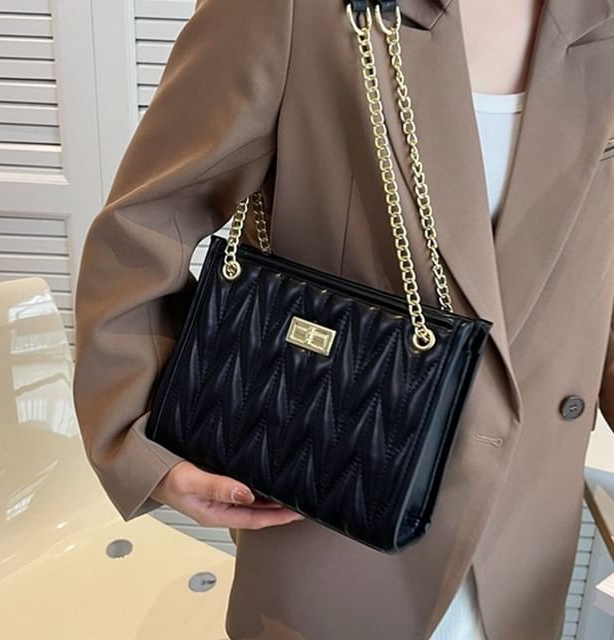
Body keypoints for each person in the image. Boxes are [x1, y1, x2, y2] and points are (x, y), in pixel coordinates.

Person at [72, 0, 614, 639]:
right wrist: (139, 440)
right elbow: (144, 226)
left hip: (526, 547)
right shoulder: (292, 10)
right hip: (331, 520)